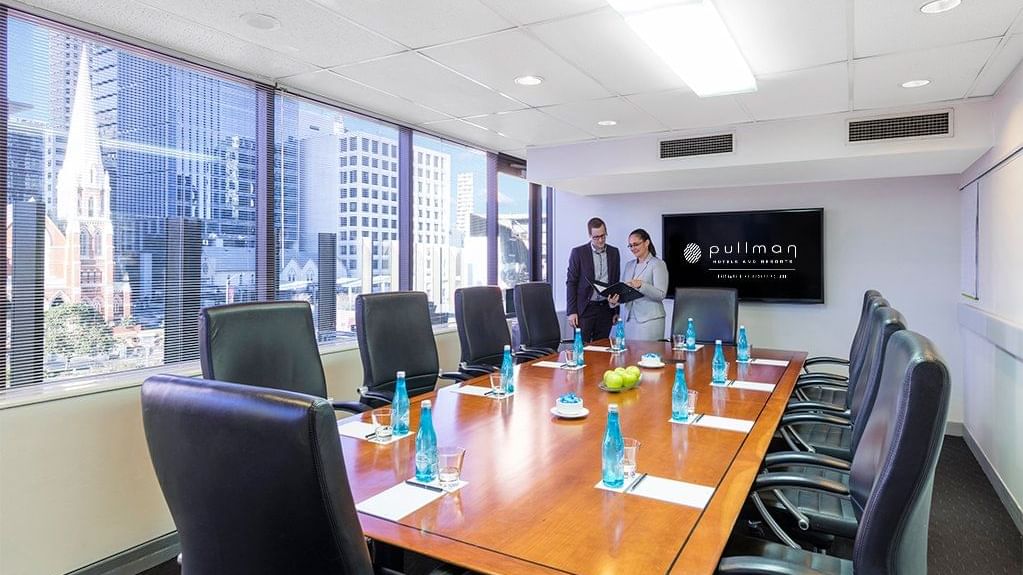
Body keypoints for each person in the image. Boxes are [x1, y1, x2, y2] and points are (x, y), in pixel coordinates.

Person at [566, 217, 621, 343]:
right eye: (596, 237)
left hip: (605, 309)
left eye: (603, 236)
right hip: (585, 309)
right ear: (590, 235)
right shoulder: (578, 253)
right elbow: (571, 282)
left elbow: (615, 282)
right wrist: (572, 311)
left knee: (602, 350)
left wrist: (616, 311)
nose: (600, 240)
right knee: (582, 349)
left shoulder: (614, 252)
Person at [611, 228, 668, 341]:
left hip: (650, 320)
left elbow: (661, 294)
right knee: (629, 357)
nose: (633, 248)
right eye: (630, 245)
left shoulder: (658, 264)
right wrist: (615, 301)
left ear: (647, 243)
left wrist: (641, 285)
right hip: (628, 321)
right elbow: (624, 292)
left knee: (647, 357)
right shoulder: (629, 265)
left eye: (636, 244)